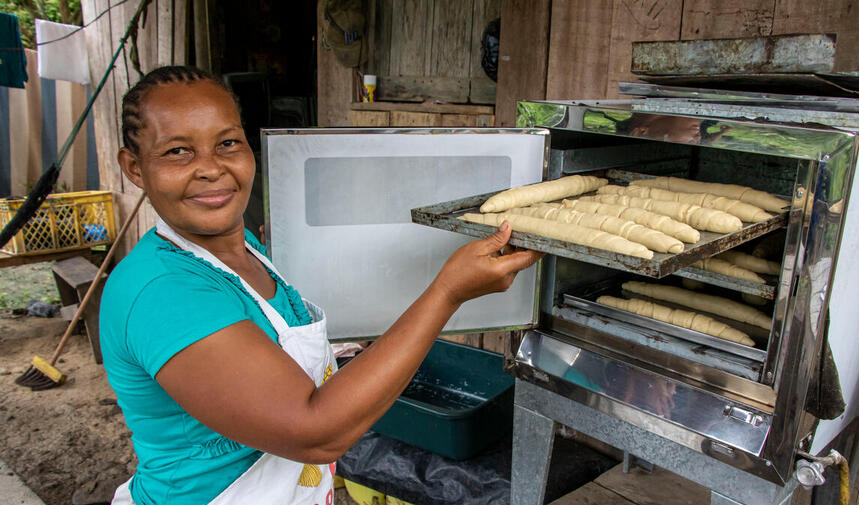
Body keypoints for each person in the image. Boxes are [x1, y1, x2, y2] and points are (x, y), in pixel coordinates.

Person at [99, 65, 542, 505]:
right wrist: (447, 292)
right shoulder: (164, 291)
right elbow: (316, 433)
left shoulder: (240, 248)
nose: (212, 169)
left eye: (228, 143)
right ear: (134, 167)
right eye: (178, 152)